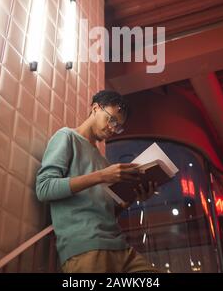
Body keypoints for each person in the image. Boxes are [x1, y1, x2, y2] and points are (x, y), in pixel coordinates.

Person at [35, 90, 160, 273]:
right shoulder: (67, 137)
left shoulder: (104, 162)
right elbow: (44, 188)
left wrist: (133, 198)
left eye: (118, 127)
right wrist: (101, 176)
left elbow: (105, 213)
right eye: (112, 120)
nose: (113, 128)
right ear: (95, 108)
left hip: (121, 248)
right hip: (85, 247)